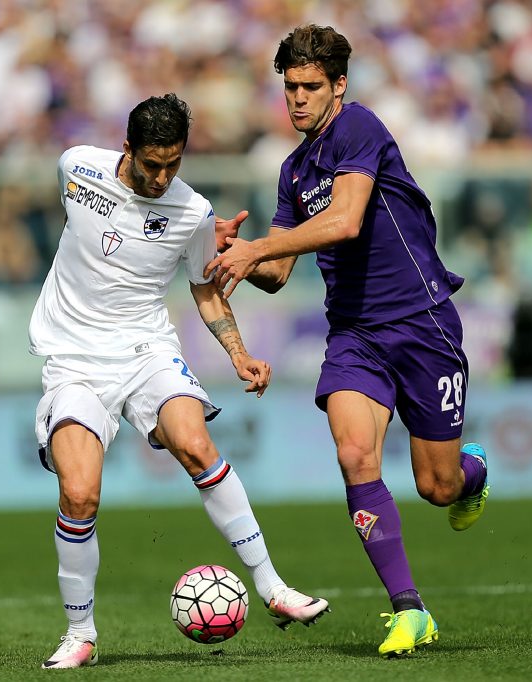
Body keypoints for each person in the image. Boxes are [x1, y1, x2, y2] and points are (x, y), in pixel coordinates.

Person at [207, 25, 489, 659]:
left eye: (311, 86)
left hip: (423, 322)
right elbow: (278, 274)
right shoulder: (292, 170)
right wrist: (229, 252)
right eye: (290, 88)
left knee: (437, 487)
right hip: (355, 334)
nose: (299, 98)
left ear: (338, 86)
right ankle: (410, 611)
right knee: (355, 454)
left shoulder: (359, 128)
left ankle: (472, 472)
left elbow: (345, 221)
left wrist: (259, 248)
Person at [28, 94, 329, 670]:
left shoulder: (193, 212)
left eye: (174, 164)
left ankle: (273, 588)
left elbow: (205, 287)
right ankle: (80, 634)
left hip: (146, 352)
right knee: (80, 493)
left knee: (195, 444)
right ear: (127, 150)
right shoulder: (77, 168)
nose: (163, 177)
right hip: (74, 360)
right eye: (152, 165)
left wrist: (239, 356)